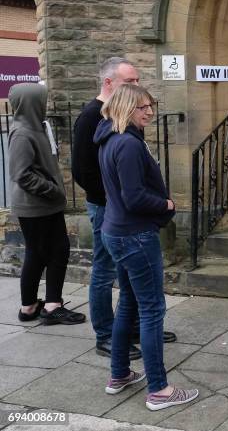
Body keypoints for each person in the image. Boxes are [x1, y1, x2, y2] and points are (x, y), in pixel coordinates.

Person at [94, 84, 198, 411]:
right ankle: (159, 390)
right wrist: (166, 203)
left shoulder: (112, 139)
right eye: (143, 107)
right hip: (134, 236)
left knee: (128, 303)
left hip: (119, 232)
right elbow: (134, 197)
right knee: (153, 309)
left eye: (151, 105)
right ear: (126, 107)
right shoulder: (126, 144)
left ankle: (120, 374)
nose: (149, 112)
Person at [72, 57, 176, 359]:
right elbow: (83, 171)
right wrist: (114, 198)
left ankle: (132, 327)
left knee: (129, 281)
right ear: (109, 83)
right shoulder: (92, 116)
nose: (136, 87)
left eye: (137, 81)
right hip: (110, 209)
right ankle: (105, 334)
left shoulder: (125, 118)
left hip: (125, 210)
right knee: (104, 272)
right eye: (129, 82)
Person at [8, 82, 86, 325]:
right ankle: (40, 307)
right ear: (31, 103)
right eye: (42, 100)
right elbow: (21, 174)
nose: (46, 104)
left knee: (54, 250)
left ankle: (41, 305)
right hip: (35, 205)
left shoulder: (39, 127)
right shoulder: (22, 132)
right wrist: (52, 190)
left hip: (47, 204)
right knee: (41, 253)